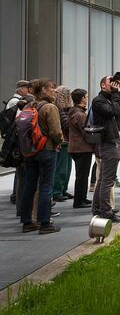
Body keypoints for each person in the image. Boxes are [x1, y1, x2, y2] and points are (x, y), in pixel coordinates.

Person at [20, 79, 62, 234]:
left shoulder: (28, 105)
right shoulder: (50, 107)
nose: (55, 91)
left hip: (30, 151)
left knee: (29, 185)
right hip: (47, 150)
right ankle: (45, 223)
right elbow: (56, 132)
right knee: (46, 186)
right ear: (44, 90)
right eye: (52, 88)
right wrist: (60, 141)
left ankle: (27, 222)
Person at [91, 75, 120, 223]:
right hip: (107, 144)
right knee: (107, 180)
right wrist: (116, 94)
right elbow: (114, 111)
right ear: (103, 86)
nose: (113, 84)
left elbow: (117, 119)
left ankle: (97, 208)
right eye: (110, 82)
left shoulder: (108, 99)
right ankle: (106, 211)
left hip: (113, 141)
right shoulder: (99, 101)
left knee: (102, 180)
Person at [3, 80, 31, 204]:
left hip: (15, 138)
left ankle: (16, 196)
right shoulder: (16, 102)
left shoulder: (15, 101)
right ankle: (16, 196)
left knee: (19, 172)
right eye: (26, 88)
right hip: (16, 140)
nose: (28, 90)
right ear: (20, 89)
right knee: (20, 172)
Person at [68, 89, 93, 208]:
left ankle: (82, 197)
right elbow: (86, 132)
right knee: (82, 175)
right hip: (81, 148)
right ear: (82, 98)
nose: (87, 98)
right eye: (86, 96)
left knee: (82, 174)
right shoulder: (79, 114)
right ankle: (79, 200)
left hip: (77, 147)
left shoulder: (75, 112)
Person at [52, 86, 73, 202]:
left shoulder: (63, 108)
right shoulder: (60, 108)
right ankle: (57, 191)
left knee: (66, 168)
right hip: (63, 141)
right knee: (62, 168)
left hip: (66, 141)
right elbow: (66, 124)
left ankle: (63, 189)